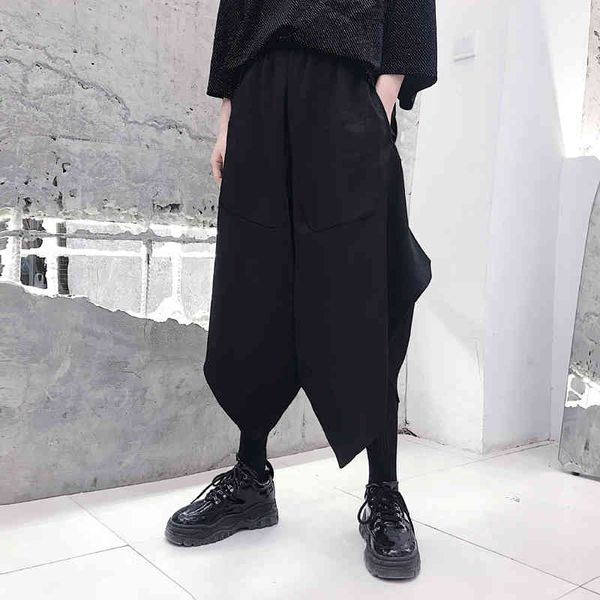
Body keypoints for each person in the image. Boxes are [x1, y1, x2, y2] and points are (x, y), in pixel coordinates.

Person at [165, 0, 437, 580]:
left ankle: (384, 491)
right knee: (254, 287)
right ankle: (251, 478)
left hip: (347, 90)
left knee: (365, 289)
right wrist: (228, 114)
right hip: (260, 94)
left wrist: (382, 99)